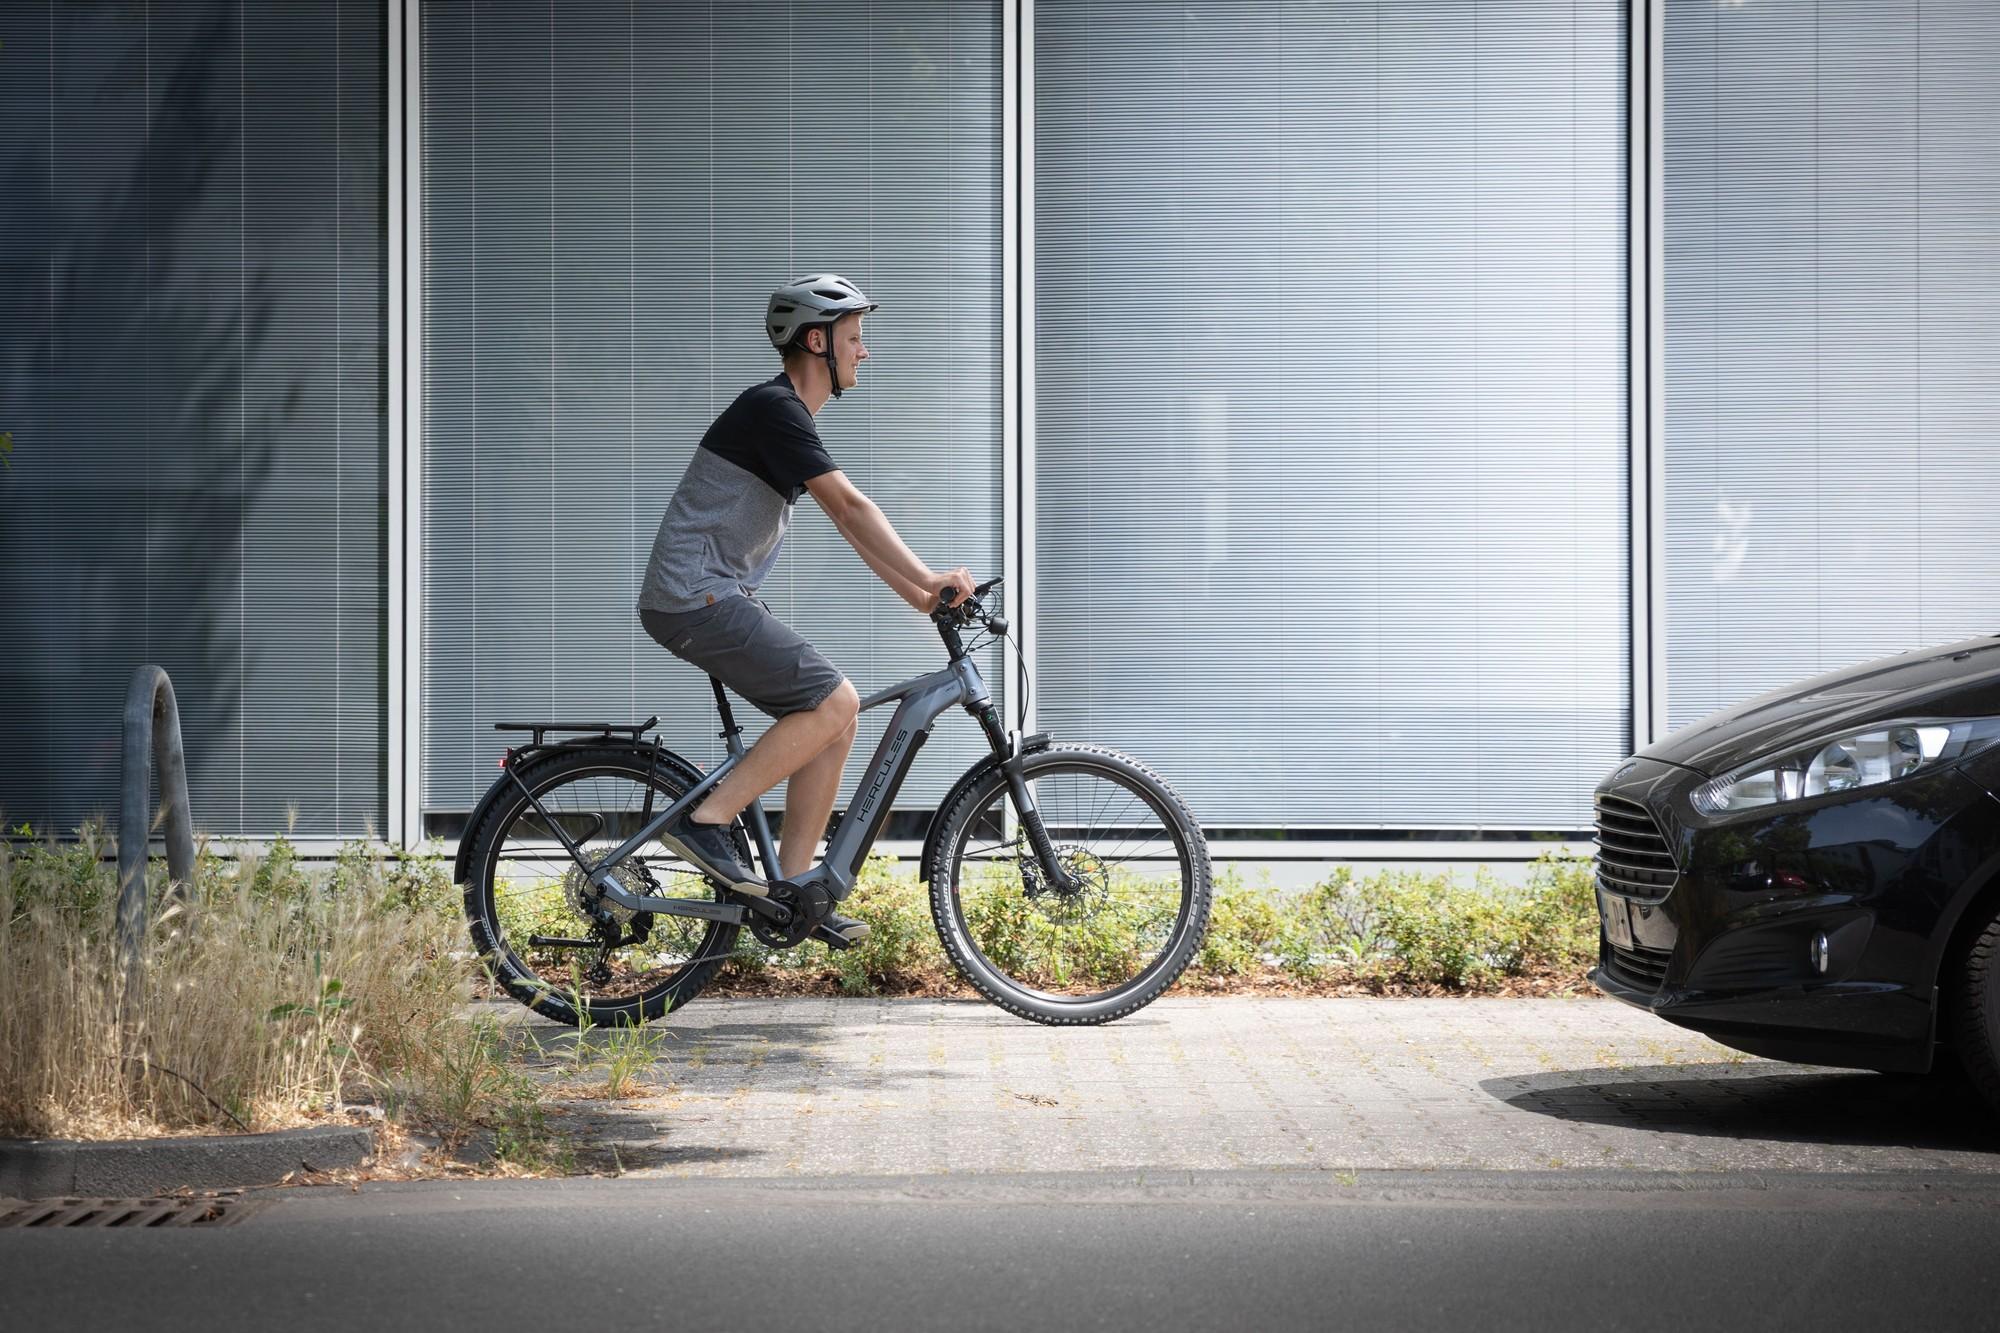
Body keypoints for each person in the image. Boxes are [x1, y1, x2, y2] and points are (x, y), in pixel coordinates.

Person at [636, 274, 974, 943]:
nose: (864, 352)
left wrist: (921, 596)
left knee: (834, 720)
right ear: (816, 341)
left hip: (706, 594)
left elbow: (848, 528)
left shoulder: (786, 418)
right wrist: (929, 574)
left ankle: (792, 889)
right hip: (692, 596)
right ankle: (704, 820)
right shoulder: (774, 409)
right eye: (854, 338)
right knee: (833, 699)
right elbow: (852, 507)